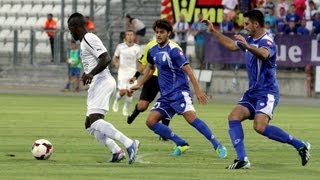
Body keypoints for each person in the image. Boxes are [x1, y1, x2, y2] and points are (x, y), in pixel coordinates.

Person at [202, 9, 311, 169]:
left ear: (256, 24)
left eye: (247, 24)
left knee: (259, 127)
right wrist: (214, 32)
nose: (244, 26)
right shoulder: (250, 39)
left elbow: (264, 55)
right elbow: (232, 45)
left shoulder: (267, 41)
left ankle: (300, 145)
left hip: (267, 93)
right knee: (233, 117)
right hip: (252, 92)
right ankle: (242, 159)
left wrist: (247, 46)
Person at [130, 19, 227, 158]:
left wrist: (198, 90)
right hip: (166, 95)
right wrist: (139, 84)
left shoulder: (174, 50)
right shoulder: (153, 50)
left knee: (191, 119)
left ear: (168, 33)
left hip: (179, 92)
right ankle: (181, 143)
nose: (158, 35)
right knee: (150, 121)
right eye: (157, 32)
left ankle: (217, 145)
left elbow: (188, 70)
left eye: (162, 32)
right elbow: (150, 68)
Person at [67, 12, 139, 164]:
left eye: (70, 28)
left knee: (95, 120)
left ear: (76, 27)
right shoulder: (84, 42)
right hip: (97, 83)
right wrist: (88, 75)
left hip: (103, 81)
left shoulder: (89, 38)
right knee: (90, 125)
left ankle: (129, 143)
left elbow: (105, 58)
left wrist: (91, 74)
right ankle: (116, 151)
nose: (70, 32)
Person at [112, 30, 141, 116]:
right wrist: (116, 63)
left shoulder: (137, 48)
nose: (130, 36)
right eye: (128, 35)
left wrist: (138, 71)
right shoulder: (120, 47)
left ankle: (125, 108)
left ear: (134, 36)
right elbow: (115, 57)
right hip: (122, 73)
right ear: (125, 37)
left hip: (132, 73)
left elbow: (140, 61)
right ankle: (116, 101)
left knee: (130, 91)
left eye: (131, 35)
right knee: (122, 91)